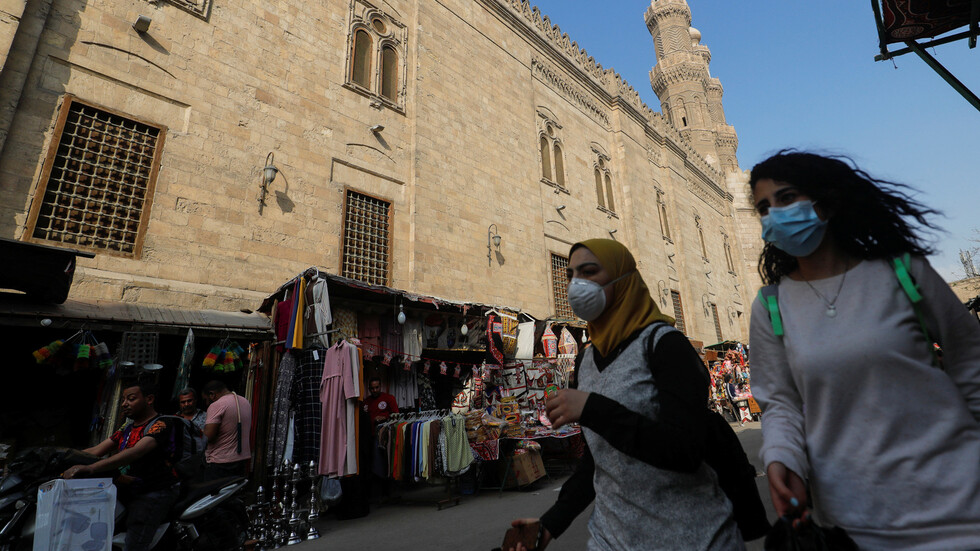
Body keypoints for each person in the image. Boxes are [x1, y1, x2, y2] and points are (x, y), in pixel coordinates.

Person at [749, 150, 980, 549]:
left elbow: (971, 359)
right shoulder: (772, 305)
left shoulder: (903, 271)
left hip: (961, 501)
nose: (774, 215)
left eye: (786, 198)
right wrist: (782, 458)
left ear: (828, 201)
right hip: (855, 521)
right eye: (763, 208)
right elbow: (780, 403)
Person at [508, 239, 743, 551]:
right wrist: (549, 525)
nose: (577, 284)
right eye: (570, 275)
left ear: (624, 279)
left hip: (692, 537)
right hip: (611, 539)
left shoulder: (666, 346)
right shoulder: (587, 360)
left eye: (589, 272)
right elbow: (600, 462)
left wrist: (593, 409)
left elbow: (686, 450)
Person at [64, 381, 177, 551]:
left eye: (131, 399)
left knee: (134, 543)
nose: (124, 403)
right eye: (123, 399)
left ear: (149, 399)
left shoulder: (161, 424)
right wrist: (63, 458)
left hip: (154, 491)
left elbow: (136, 451)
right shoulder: (127, 428)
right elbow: (96, 450)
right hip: (128, 489)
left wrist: (92, 468)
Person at [202, 380, 252, 480]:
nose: (207, 404)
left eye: (206, 400)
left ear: (212, 394)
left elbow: (208, 437)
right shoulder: (245, 402)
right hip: (241, 461)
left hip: (220, 463)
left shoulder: (217, 405)